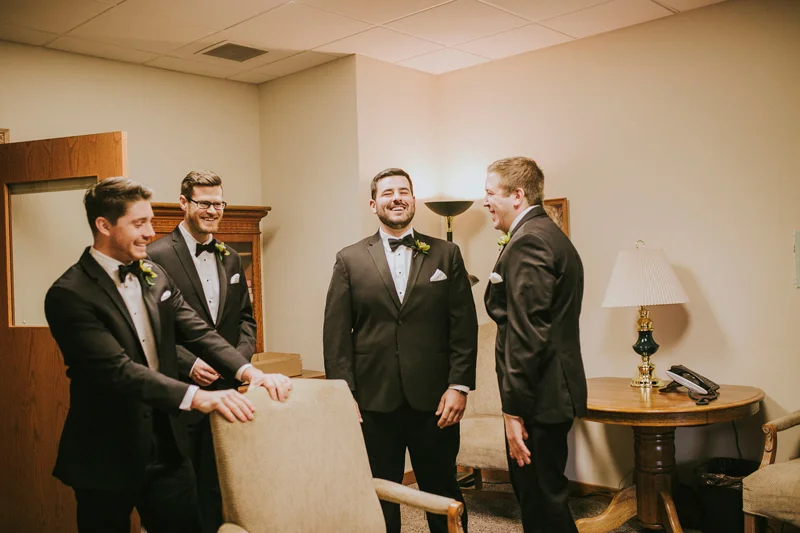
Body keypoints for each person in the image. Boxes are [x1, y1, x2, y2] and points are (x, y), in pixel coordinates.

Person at [44, 177, 291, 533]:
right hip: (106, 448)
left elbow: (198, 331)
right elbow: (117, 370)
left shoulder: (154, 275)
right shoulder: (69, 294)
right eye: (139, 223)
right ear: (104, 225)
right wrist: (198, 397)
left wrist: (250, 373)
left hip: (167, 444)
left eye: (150, 221)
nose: (149, 232)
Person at [323, 168, 478, 533]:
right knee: (380, 496)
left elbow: (463, 328)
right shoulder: (349, 259)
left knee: (442, 490)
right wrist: (344, 396)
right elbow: (336, 336)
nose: (397, 198)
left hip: (436, 401)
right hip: (373, 403)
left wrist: (459, 385)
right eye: (388, 192)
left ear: (413, 199)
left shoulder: (447, 254)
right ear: (373, 203)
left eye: (404, 191)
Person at [147, 170, 256, 533]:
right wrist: (189, 363)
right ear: (184, 203)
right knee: (185, 485)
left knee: (222, 481)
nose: (213, 211)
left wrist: (239, 361)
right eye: (204, 203)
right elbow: (151, 329)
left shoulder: (231, 257)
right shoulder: (155, 256)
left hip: (228, 389)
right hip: (182, 390)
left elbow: (246, 319)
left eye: (219, 204)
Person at [483, 157, 587, 533]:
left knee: (543, 506)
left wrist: (513, 411)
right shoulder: (548, 234)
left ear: (517, 195)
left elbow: (528, 336)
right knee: (544, 499)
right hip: (548, 393)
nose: (485, 201)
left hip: (537, 399)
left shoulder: (529, 241)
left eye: (490, 193)